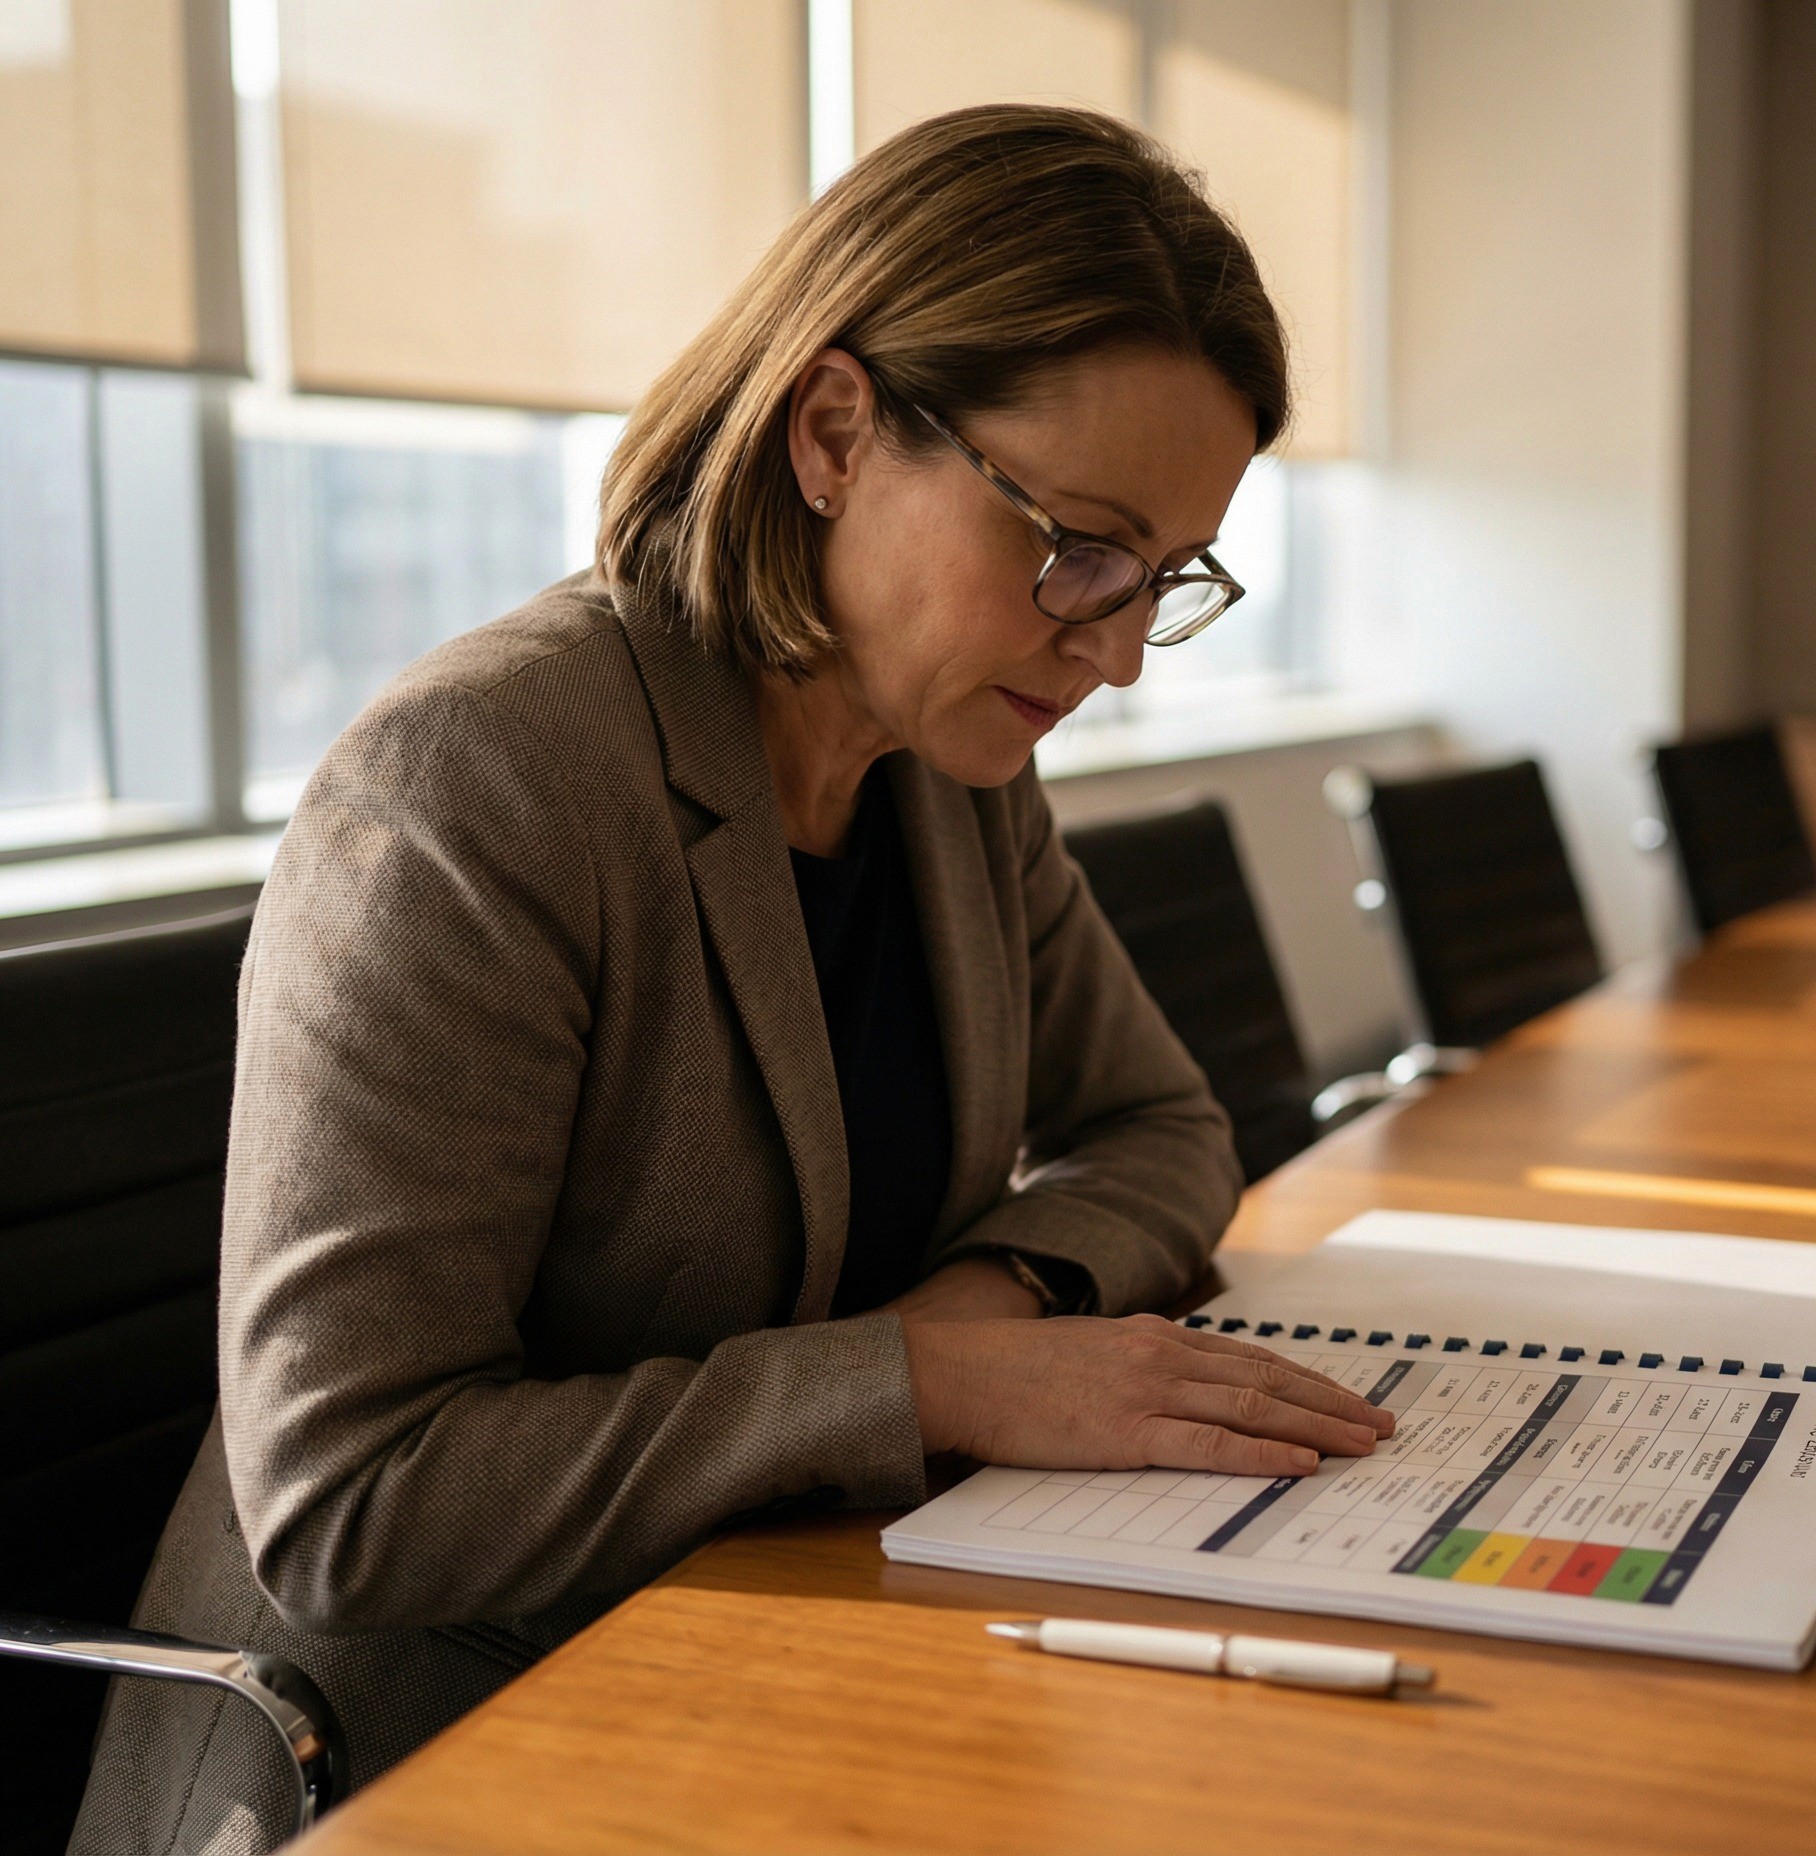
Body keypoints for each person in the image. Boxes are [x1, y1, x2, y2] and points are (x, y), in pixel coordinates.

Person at [70, 105, 1395, 1854]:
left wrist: (981, 1319)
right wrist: (923, 1387)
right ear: (836, 430)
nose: (1121, 649)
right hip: (417, 1753)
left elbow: (1159, 1123)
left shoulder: (949, 767)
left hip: (770, 1644)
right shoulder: (487, 781)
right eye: (1077, 547)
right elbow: (350, 1495)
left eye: (1168, 578)